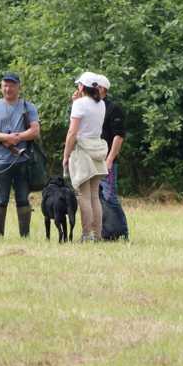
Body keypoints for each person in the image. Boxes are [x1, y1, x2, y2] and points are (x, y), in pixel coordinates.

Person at [0, 73, 40, 237]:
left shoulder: (28, 106)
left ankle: (25, 236)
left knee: (23, 199)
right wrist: (6, 138)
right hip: (1, 161)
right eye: (5, 85)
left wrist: (18, 137)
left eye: (12, 85)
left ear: (18, 86)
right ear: (1, 87)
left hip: (23, 160)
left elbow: (35, 130)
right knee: (0, 200)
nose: (8, 89)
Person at [63, 72, 108, 242]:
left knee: (84, 195)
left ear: (82, 86)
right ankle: (97, 235)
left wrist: (66, 155)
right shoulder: (101, 104)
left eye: (79, 84)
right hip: (97, 149)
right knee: (95, 196)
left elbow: (72, 132)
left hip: (82, 150)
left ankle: (86, 234)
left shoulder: (79, 104)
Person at [95, 74, 129, 241]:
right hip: (92, 160)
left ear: (102, 88)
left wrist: (109, 160)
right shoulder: (92, 107)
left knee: (110, 197)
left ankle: (122, 232)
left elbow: (119, 136)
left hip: (107, 161)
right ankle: (106, 232)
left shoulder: (114, 108)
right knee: (97, 198)